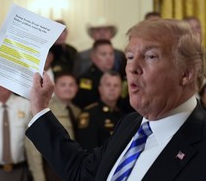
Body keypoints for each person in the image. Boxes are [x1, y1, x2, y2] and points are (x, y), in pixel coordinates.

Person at [26, 19, 206, 180]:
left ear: (186, 73)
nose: (133, 68)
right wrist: (40, 107)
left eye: (151, 56)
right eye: (129, 57)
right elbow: (82, 173)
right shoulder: (129, 124)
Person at [26, 72, 81, 181]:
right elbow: (33, 149)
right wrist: (39, 177)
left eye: (71, 85)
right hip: (51, 170)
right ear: (54, 88)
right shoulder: (44, 110)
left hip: (73, 169)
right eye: (63, 85)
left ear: (76, 88)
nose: (67, 88)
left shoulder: (77, 111)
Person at [76, 71, 133, 150]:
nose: (112, 89)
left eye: (116, 85)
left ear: (121, 90)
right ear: (100, 89)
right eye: (108, 85)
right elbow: (88, 149)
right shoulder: (90, 114)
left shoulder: (123, 115)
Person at [73, 39, 115, 109]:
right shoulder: (86, 79)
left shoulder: (117, 75)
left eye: (111, 54)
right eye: (103, 54)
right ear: (93, 57)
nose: (108, 58)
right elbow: (86, 103)